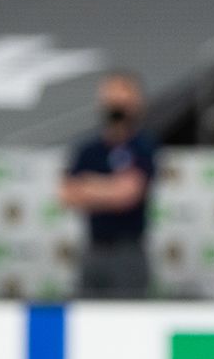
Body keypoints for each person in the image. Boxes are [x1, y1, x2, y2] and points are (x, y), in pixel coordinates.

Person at [58, 70, 156, 298]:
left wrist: (90, 186)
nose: (115, 107)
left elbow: (128, 194)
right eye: (110, 99)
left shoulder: (143, 147)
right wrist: (109, 187)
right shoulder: (89, 150)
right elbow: (67, 193)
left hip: (128, 252)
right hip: (94, 249)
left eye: (122, 101)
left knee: (129, 320)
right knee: (86, 320)